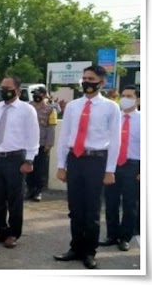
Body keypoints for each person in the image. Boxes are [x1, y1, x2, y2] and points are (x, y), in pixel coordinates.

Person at [53, 65, 121, 269]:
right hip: (75, 160)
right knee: (75, 209)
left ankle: (89, 252)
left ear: (101, 82)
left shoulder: (111, 107)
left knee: (91, 211)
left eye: (91, 78)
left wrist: (110, 170)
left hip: (96, 161)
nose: (86, 81)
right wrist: (61, 164)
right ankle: (75, 248)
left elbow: (116, 141)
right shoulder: (73, 106)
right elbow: (65, 137)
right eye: (84, 78)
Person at [0, 76, 39, 249]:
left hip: (16, 158)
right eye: (2, 87)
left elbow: (33, 136)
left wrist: (29, 160)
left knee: (14, 198)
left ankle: (13, 233)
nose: (4, 91)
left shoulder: (27, 110)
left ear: (18, 91)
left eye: (8, 87)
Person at [99, 85, 140, 252]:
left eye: (129, 96)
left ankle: (125, 237)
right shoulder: (114, 118)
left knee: (130, 204)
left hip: (133, 166)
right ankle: (112, 235)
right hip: (112, 165)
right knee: (111, 202)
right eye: (123, 95)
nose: (125, 98)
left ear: (138, 99)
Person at [26, 86, 57, 202]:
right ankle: (29, 190)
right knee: (28, 168)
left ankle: (38, 191)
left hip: (42, 143)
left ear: (44, 95)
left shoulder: (50, 109)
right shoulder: (28, 106)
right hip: (28, 143)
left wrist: (49, 143)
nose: (35, 96)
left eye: (38, 94)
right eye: (34, 94)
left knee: (40, 169)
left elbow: (51, 128)